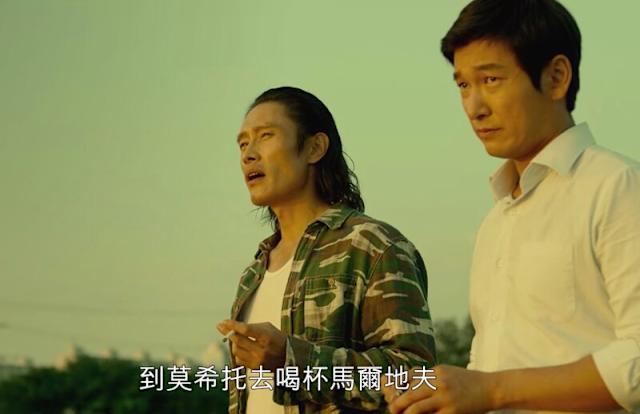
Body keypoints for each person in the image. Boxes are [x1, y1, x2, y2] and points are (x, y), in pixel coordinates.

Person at [386, 1, 640, 413]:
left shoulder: (618, 186)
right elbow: (487, 368)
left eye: (491, 79)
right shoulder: (497, 220)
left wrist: (490, 390)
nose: (474, 107)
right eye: (463, 85)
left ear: (556, 77)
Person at [217, 86, 436, 414]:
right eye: (243, 143)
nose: (248, 154)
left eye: (265, 136)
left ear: (315, 148)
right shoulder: (253, 273)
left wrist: (293, 360)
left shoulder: (372, 245)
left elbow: (413, 378)